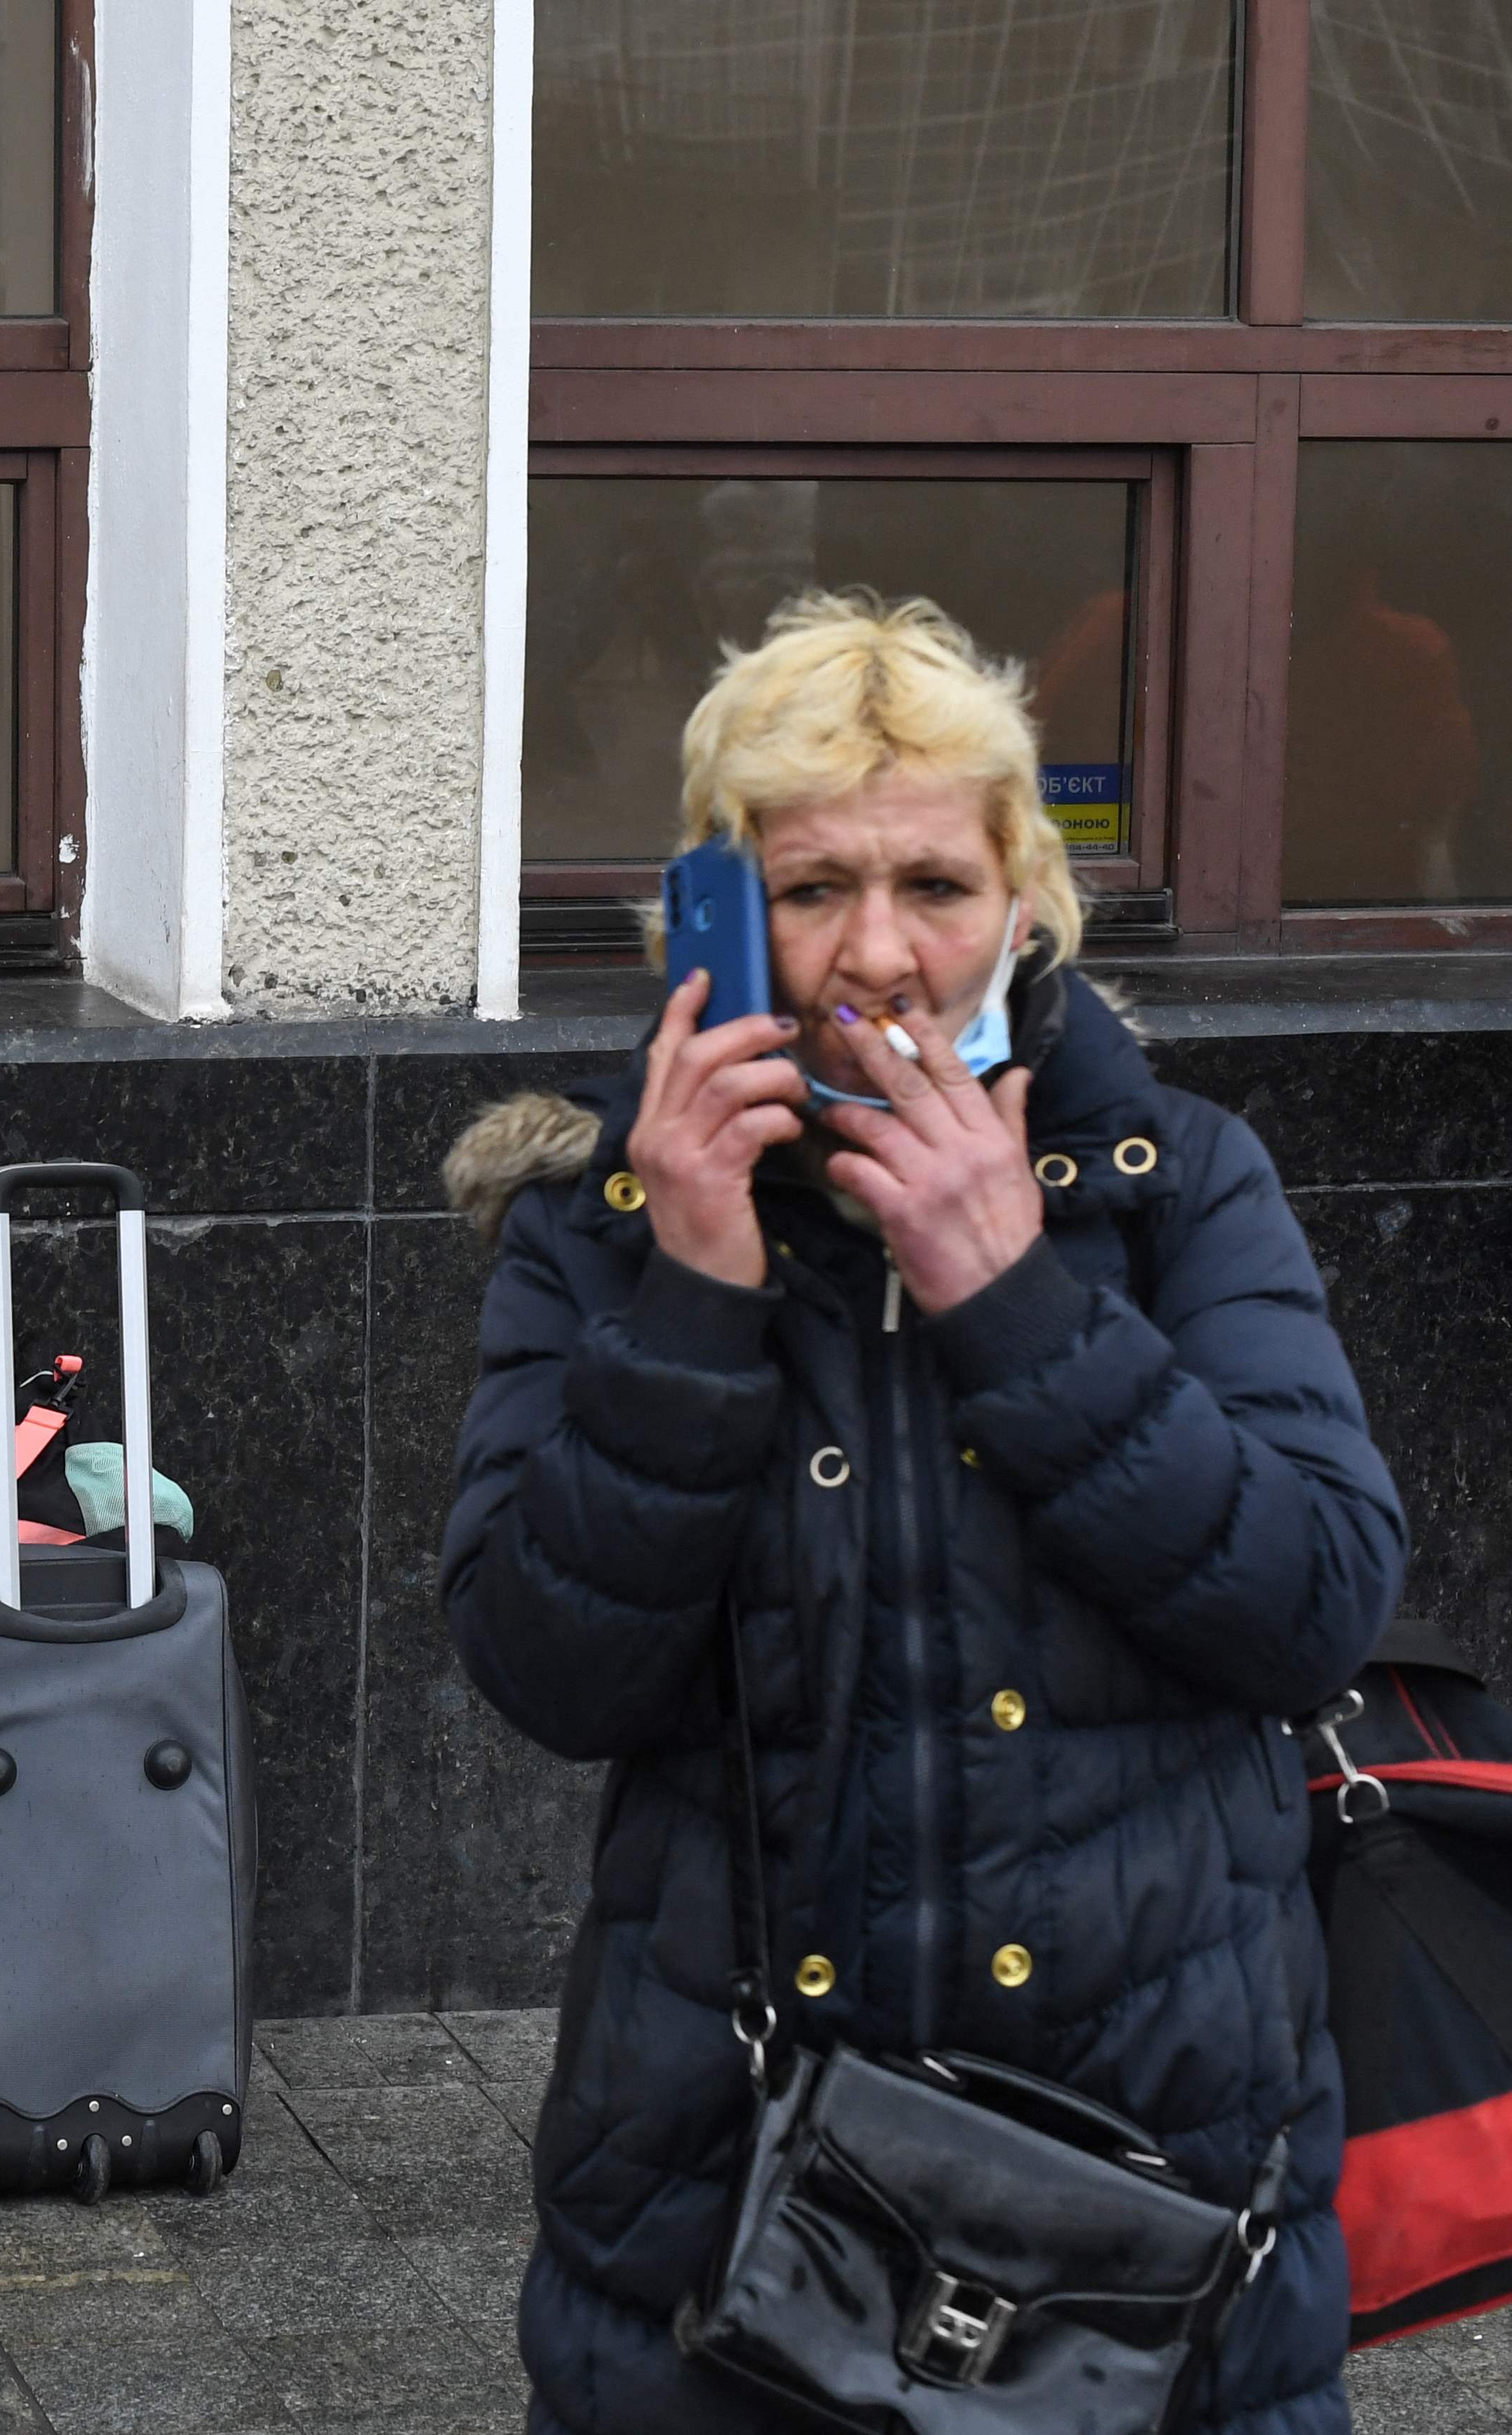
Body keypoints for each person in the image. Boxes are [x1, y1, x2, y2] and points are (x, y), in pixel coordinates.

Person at [441, 593, 1403, 2434]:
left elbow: (1318, 1605)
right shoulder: (606, 1213)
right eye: (810, 891)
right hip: (723, 2176)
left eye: (935, 889)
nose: (875, 955)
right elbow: (547, 1670)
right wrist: (697, 1300)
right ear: (717, 908)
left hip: (1160, 2158)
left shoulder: (1177, 1184)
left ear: (1021, 902)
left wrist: (1018, 1299)